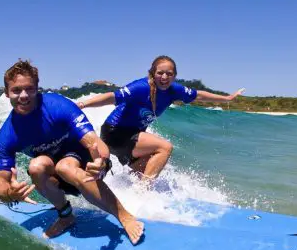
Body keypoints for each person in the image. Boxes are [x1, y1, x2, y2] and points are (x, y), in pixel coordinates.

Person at [0, 60, 144, 245]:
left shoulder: (57, 105)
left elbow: (94, 143)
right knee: (36, 166)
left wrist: (102, 162)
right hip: (57, 177)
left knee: (66, 166)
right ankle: (66, 216)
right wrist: (10, 193)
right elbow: (0, 185)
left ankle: (124, 216)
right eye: (16, 90)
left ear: (37, 88)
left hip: (88, 164)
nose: (23, 95)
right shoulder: (6, 136)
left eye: (29, 89)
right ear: (6, 93)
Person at [77, 55, 244, 182]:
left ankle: (129, 197)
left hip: (132, 135)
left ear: (174, 76)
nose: (164, 77)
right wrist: (84, 104)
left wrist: (227, 99)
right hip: (116, 133)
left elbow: (199, 95)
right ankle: (144, 192)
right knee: (165, 147)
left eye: (169, 74)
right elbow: (111, 97)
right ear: (152, 73)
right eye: (160, 73)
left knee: (142, 171)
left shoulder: (174, 90)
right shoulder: (140, 87)